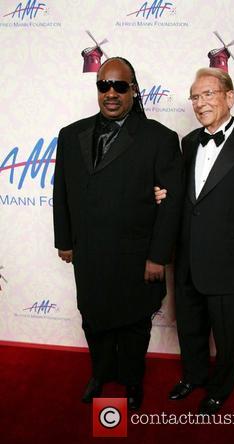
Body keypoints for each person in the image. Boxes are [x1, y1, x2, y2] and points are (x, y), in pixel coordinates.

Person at [53, 57, 183, 410]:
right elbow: (61, 192)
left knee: (133, 325)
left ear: (134, 90)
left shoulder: (160, 138)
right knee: (93, 319)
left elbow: (170, 205)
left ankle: (131, 381)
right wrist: (64, 240)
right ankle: (100, 373)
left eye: (120, 86)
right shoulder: (70, 135)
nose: (111, 93)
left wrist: (158, 256)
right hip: (89, 253)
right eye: (103, 86)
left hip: (136, 257)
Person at [155, 67, 234, 414]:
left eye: (208, 94)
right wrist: (163, 194)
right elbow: (188, 198)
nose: (199, 102)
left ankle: (221, 388)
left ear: (229, 97)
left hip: (229, 263)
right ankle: (193, 376)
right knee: (190, 328)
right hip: (189, 259)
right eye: (195, 97)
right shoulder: (190, 141)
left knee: (226, 336)